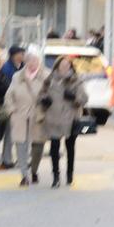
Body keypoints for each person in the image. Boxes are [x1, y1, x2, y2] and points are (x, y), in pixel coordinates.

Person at [39, 50, 87, 187]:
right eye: (62, 65)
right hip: (53, 117)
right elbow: (41, 94)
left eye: (67, 65)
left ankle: (70, 174)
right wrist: (44, 100)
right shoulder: (49, 80)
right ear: (57, 66)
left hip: (70, 118)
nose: (65, 67)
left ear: (71, 67)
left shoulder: (76, 79)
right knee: (54, 147)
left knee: (70, 146)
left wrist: (74, 98)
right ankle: (56, 176)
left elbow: (84, 98)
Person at [4, 52, 47, 187]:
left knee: (38, 146)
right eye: (30, 61)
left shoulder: (46, 75)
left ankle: (34, 170)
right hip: (20, 115)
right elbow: (9, 95)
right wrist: (11, 111)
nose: (33, 64)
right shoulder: (17, 76)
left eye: (36, 61)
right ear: (26, 62)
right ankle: (24, 175)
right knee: (20, 145)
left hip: (39, 115)